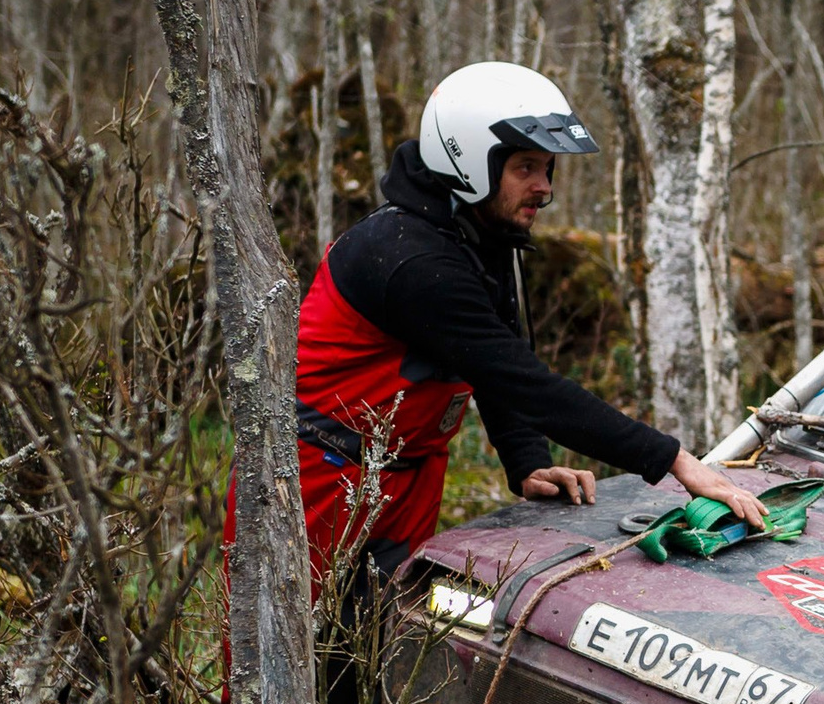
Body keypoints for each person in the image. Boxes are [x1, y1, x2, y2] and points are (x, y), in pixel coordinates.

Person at [285, 59, 766, 597]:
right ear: (466, 160)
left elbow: (492, 359)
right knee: (291, 658)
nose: (544, 188)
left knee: (382, 655)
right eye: (525, 168)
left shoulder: (478, 231)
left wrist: (527, 461)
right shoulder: (412, 260)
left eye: (548, 168)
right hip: (318, 476)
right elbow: (520, 379)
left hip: (408, 475)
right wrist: (676, 461)